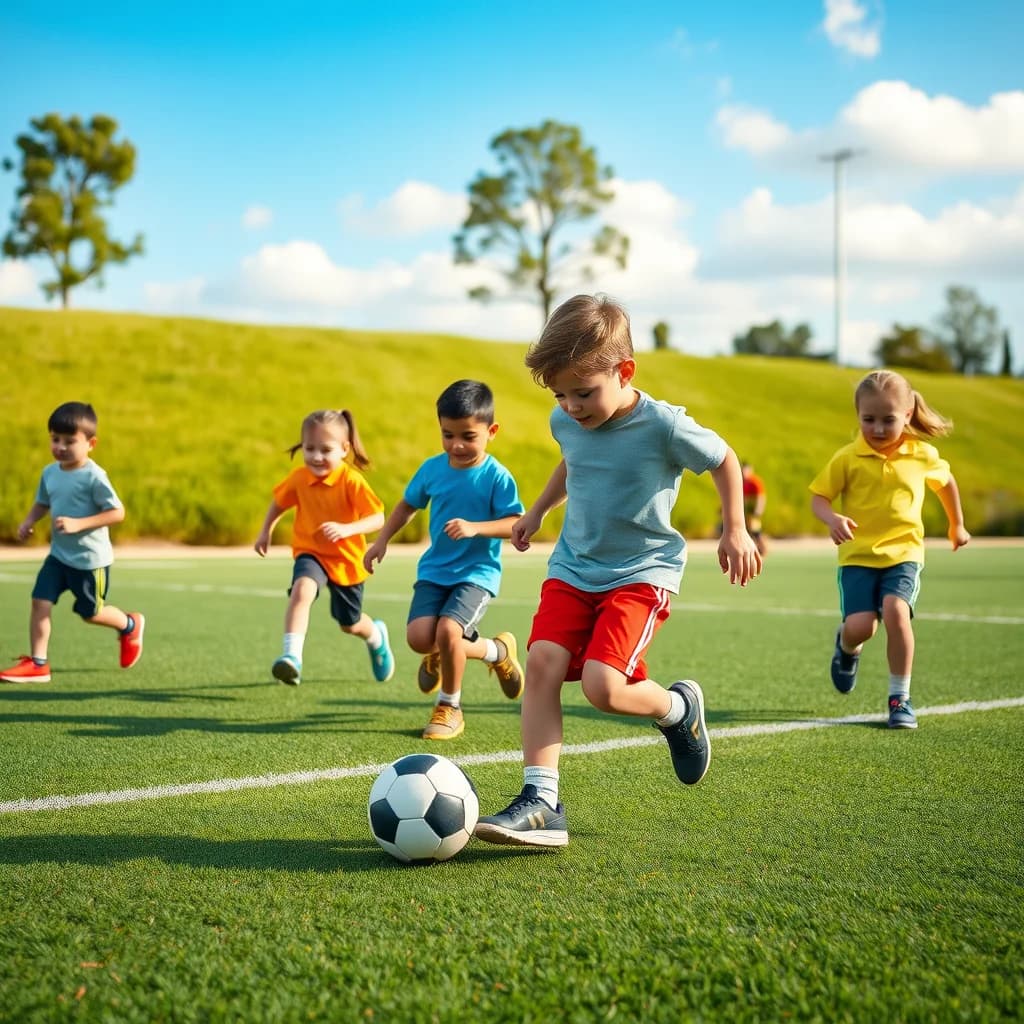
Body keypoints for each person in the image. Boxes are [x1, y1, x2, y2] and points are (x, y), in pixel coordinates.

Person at [473, 294, 761, 848]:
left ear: (624, 371)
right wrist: (535, 512)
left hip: (640, 573)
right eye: (561, 394)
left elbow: (723, 458)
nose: (572, 407)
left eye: (584, 393)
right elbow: (571, 461)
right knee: (541, 664)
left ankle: (678, 710)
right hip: (573, 567)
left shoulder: (663, 426)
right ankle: (542, 802)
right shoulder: (567, 418)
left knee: (605, 689)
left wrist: (736, 528)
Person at [363, 380, 525, 741]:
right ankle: (496, 651)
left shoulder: (496, 476)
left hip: (477, 574)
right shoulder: (433, 469)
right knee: (421, 638)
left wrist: (475, 528)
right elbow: (408, 504)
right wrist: (382, 540)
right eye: (447, 434)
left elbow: (515, 523)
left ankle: (450, 705)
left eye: (468, 436)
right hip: (435, 570)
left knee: (449, 632)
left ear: (491, 431)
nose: (456, 445)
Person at [809, 369, 970, 730]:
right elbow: (818, 497)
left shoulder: (923, 454)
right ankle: (847, 647)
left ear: (908, 414)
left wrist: (956, 524)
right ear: (858, 415)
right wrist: (831, 517)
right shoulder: (848, 457)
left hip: (905, 554)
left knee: (896, 612)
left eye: (888, 420)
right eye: (869, 419)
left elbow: (946, 484)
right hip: (858, 557)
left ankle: (900, 698)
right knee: (861, 627)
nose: (878, 429)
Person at [1, 402, 144, 683]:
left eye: (70, 441)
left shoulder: (94, 476)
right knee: (40, 601)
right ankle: (38, 663)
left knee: (91, 614)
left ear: (91, 443)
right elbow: (43, 502)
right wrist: (30, 521)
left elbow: (118, 512)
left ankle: (129, 624)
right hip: (58, 556)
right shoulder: (50, 472)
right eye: (55, 439)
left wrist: (79, 524)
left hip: (89, 561)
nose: (61, 447)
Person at [254, 408, 394, 687]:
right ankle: (292, 657)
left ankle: (376, 636)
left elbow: (377, 517)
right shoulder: (299, 478)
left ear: (344, 449)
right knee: (301, 591)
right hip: (311, 552)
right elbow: (280, 502)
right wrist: (265, 531)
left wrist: (347, 529)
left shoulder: (351, 481)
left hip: (346, 560)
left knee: (349, 624)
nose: (316, 457)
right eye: (310, 448)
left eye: (325, 449)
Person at [742, 461, 768, 557]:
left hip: (753, 512)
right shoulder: (743, 482)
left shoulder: (755, 481)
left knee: (756, 531)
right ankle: (755, 550)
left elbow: (761, 497)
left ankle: (764, 549)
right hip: (747, 512)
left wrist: (758, 510)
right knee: (749, 532)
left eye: (745, 470)